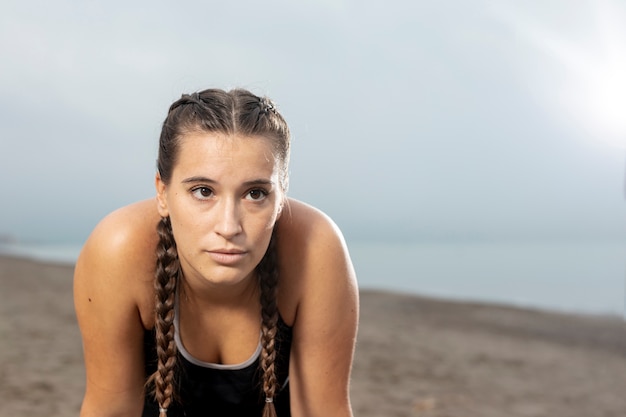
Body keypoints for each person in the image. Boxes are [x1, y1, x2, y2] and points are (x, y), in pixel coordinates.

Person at [73, 88, 359, 417]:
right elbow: (111, 409)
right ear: (162, 193)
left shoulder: (315, 250)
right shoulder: (118, 249)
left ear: (281, 198)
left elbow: (323, 411)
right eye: (203, 191)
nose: (228, 226)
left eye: (255, 194)